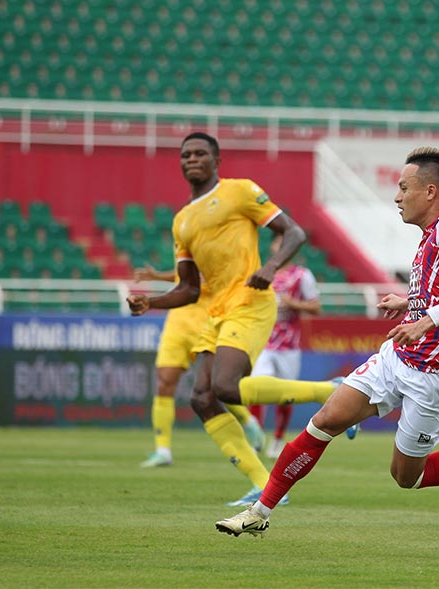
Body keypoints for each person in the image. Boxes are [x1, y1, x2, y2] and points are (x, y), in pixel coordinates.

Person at [215, 146, 439, 538]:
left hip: (434, 375)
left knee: (406, 476)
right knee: (324, 421)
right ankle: (260, 511)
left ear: (430, 192)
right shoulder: (429, 235)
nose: (397, 196)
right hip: (397, 358)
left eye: (403, 187)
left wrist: (426, 319)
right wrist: (410, 302)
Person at [127, 132, 307, 505]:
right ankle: (265, 484)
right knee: (201, 397)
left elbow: (294, 231)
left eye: (200, 153)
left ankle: (335, 391)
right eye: (185, 154)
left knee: (225, 388)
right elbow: (189, 288)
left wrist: (271, 266)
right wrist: (152, 302)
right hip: (215, 309)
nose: (192, 159)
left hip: (249, 298)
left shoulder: (240, 191)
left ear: (216, 159)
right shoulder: (181, 221)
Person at [133, 263, 265, 468]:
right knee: (164, 383)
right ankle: (163, 450)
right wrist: (157, 276)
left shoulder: (216, 247)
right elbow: (184, 275)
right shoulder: (186, 238)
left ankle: (248, 421)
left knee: (217, 384)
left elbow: (203, 280)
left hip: (206, 325)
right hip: (177, 326)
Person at [248, 235, 323, 460]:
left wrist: (293, 304)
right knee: (258, 389)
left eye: (285, 243)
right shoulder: (263, 273)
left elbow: (316, 307)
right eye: (277, 243)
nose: (280, 247)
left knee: (285, 395)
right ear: (272, 246)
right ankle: (256, 439)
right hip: (264, 342)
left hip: (289, 345)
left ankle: (278, 439)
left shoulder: (301, 276)